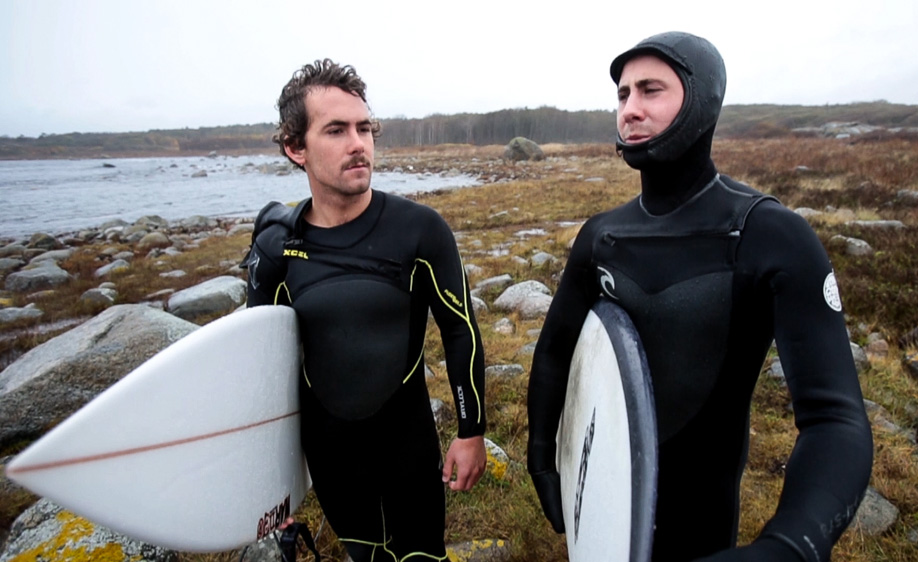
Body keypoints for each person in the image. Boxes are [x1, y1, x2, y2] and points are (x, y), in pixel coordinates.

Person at [527, 32, 873, 561]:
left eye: (650, 90)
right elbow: (555, 353)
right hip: (602, 519)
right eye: (622, 95)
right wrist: (543, 458)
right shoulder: (602, 237)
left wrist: (791, 544)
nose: (630, 110)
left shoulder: (767, 234)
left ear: (701, 97)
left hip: (705, 528)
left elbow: (835, 420)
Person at [241, 59, 487, 562]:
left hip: (407, 443)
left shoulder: (419, 229)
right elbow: (260, 369)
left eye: (364, 127)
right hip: (331, 454)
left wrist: (471, 431)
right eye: (336, 130)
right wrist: (273, 483)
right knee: (364, 556)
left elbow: (460, 330)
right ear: (296, 148)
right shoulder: (276, 247)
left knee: (422, 556)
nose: (359, 143)